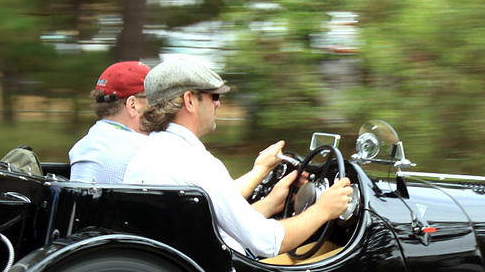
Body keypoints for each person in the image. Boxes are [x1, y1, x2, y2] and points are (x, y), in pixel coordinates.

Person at [123, 55, 353, 258]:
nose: (219, 104)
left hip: (179, 270)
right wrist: (323, 209)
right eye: (213, 96)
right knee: (331, 249)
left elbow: (216, 221)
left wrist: (271, 202)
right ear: (189, 100)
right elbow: (267, 242)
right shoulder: (196, 162)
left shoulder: (146, 153)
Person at [68, 60, 151, 184]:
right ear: (133, 105)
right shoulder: (146, 150)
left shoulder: (81, 146)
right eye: (153, 100)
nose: (159, 107)